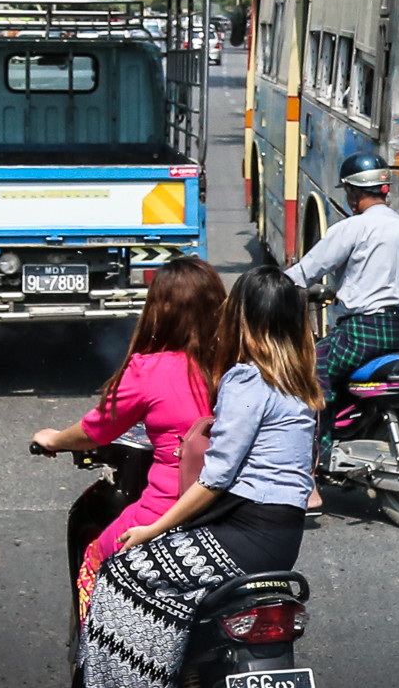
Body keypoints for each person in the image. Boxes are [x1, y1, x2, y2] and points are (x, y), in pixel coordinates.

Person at [78, 265, 321, 688]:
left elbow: (215, 478)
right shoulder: (298, 383)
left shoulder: (247, 378)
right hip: (282, 538)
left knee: (122, 572)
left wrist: (152, 528)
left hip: (246, 536)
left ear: (242, 318)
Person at [29, 257, 226, 633]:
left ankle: (99, 661)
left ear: (159, 310)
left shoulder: (148, 370)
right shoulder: (239, 364)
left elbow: (95, 431)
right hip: (237, 510)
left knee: (93, 565)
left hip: (168, 508)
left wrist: (53, 439)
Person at [283, 151, 399, 512]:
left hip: (362, 330)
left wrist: (273, 286)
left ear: (352, 192)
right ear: (383, 189)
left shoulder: (353, 228)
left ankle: (308, 477)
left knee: (308, 378)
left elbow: (306, 271)